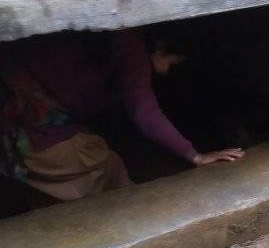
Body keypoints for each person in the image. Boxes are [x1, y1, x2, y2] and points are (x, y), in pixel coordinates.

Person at [0, 30, 244, 203]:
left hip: (18, 119)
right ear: (161, 46)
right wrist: (195, 155)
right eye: (172, 62)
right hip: (34, 131)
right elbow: (143, 111)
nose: (167, 71)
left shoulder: (108, 41)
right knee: (109, 172)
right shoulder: (130, 46)